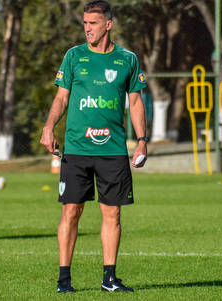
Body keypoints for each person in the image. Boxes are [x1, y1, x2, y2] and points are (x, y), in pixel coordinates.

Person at [40, 0, 148, 293]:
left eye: (93, 23)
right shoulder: (74, 57)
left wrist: (142, 141)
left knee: (112, 214)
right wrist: (49, 126)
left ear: (108, 25)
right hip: (76, 148)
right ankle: (64, 280)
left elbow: (135, 102)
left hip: (113, 150)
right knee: (71, 211)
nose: (87, 28)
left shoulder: (127, 59)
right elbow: (61, 98)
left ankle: (109, 279)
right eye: (85, 23)